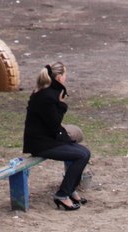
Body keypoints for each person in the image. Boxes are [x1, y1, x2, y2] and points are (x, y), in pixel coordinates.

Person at [22, 62, 91, 210]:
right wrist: (61, 105)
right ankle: (62, 194)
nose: (66, 78)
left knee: (84, 152)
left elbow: (52, 126)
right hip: (41, 144)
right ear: (59, 78)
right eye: (65, 75)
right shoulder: (47, 97)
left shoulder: (48, 93)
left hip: (49, 139)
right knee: (81, 155)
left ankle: (70, 189)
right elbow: (54, 124)